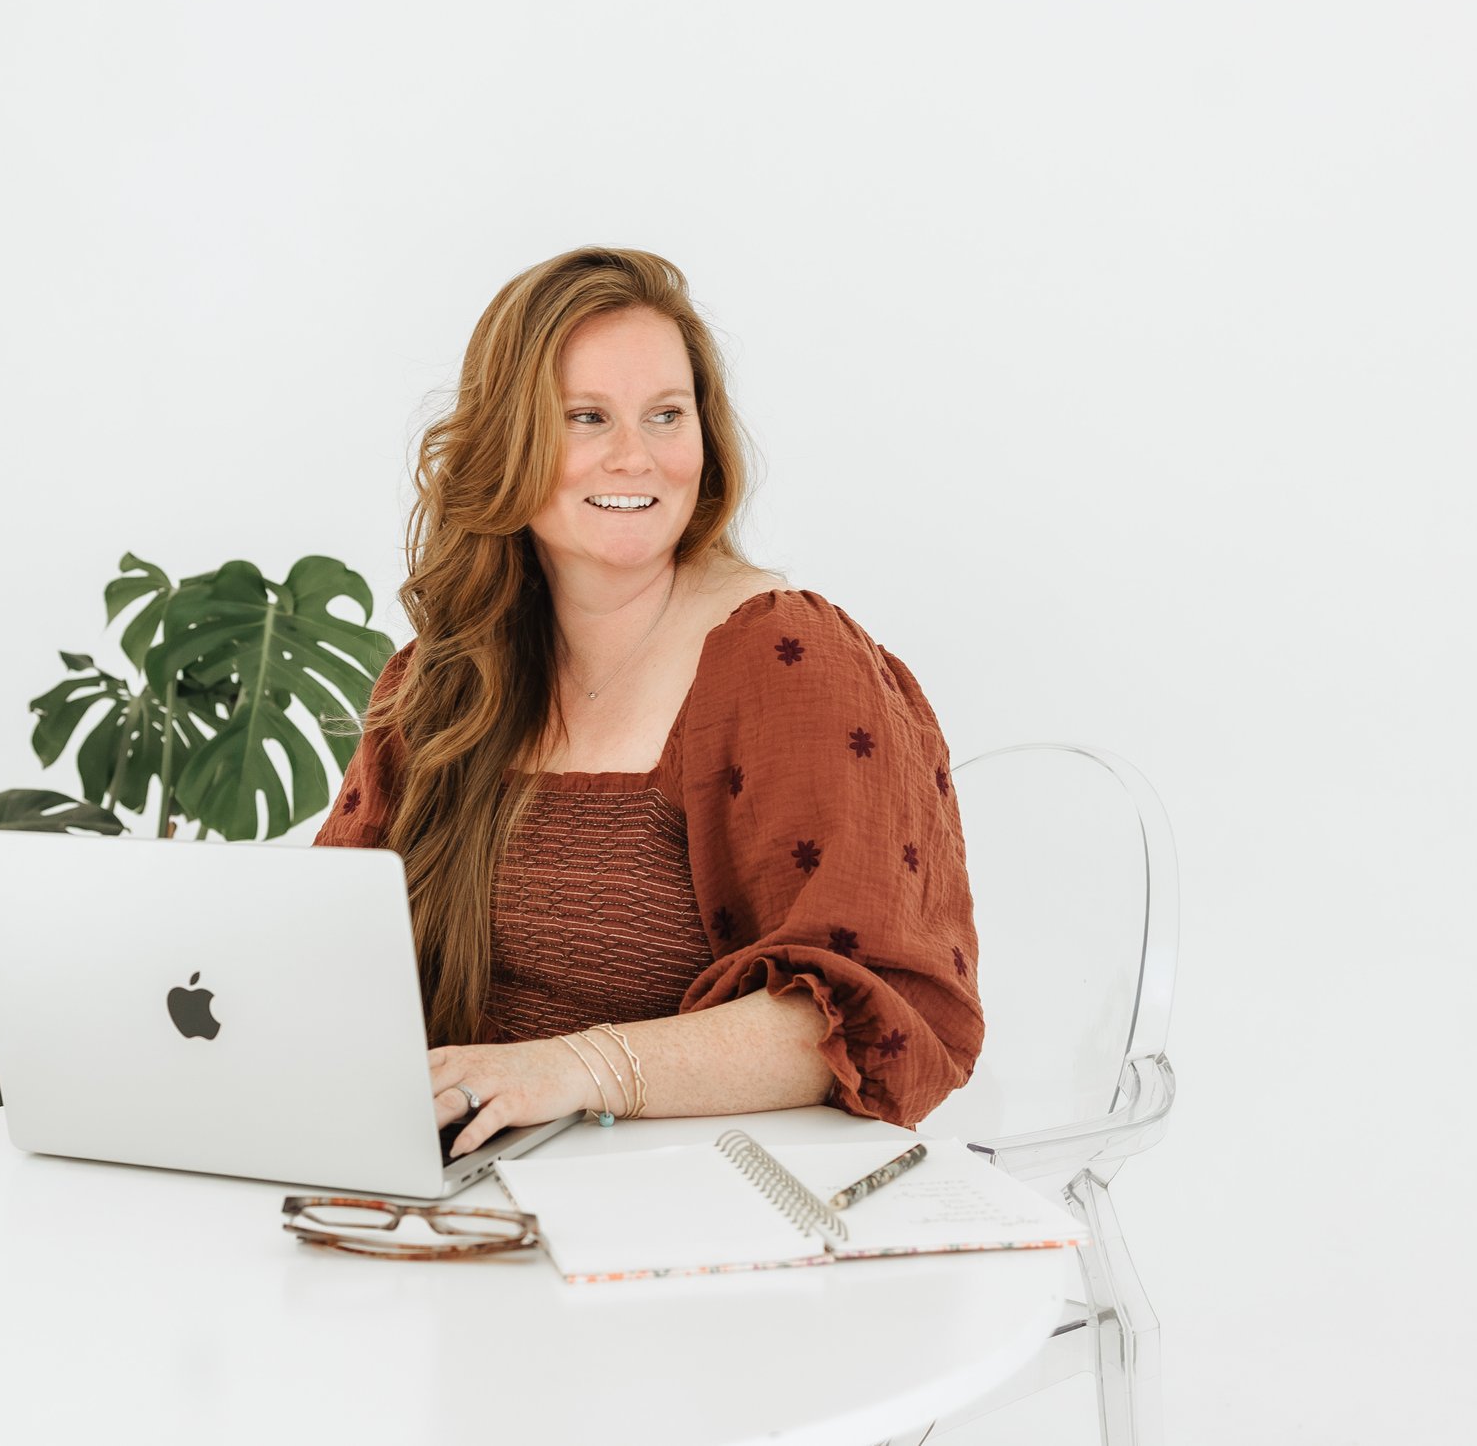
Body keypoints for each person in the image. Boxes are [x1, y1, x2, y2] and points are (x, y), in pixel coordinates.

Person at [314, 245, 982, 1160]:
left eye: (666, 414)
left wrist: (574, 1068)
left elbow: (873, 1015)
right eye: (587, 417)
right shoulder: (440, 679)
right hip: (449, 1180)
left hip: (688, 1201)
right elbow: (322, 945)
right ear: (509, 445)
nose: (635, 456)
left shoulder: (784, 657)